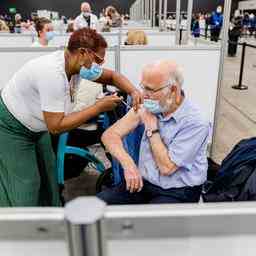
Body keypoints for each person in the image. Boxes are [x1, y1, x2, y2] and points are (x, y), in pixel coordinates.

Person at [0, 28, 142, 207]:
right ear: (83, 52)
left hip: (37, 128)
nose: (99, 65)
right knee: (26, 185)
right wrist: (98, 107)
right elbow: (56, 127)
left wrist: (134, 91)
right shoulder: (51, 73)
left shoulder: (78, 66)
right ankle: (21, 228)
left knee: (48, 178)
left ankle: (48, 222)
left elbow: (113, 77)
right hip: (11, 128)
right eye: (98, 59)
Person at [97, 60, 210, 205]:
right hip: (145, 184)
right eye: (143, 88)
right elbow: (109, 136)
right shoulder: (153, 106)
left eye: (150, 90)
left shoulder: (196, 122)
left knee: (147, 225)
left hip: (179, 190)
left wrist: (151, 128)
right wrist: (129, 165)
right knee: (100, 205)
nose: (144, 95)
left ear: (173, 90)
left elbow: (167, 168)